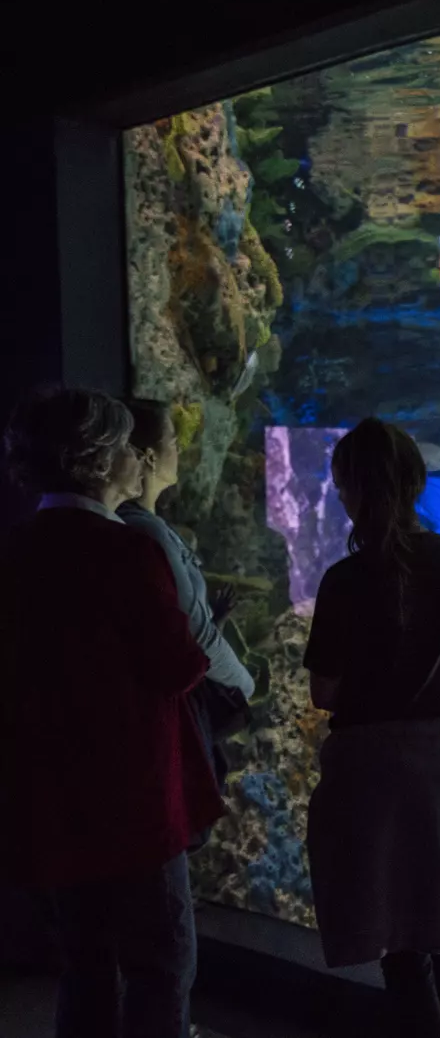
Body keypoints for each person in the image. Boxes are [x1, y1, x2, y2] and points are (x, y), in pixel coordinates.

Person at [0, 384, 221, 1038]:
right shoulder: (127, 550)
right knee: (163, 962)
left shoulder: (16, 550)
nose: (138, 457)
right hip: (134, 799)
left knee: (86, 962)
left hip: (52, 800)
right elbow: (178, 665)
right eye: (128, 445)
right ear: (96, 458)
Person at [303, 417, 440, 1038]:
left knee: (399, 936)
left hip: (376, 764)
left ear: (349, 490)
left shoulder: (344, 580)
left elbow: (323, 691)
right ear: (415, 483)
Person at [120, 399, 255, 817]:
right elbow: (193, 633)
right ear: (147, 456)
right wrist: (243, 684)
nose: (180, 450)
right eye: (173, 442)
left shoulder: (147, 526)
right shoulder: (146, 531)